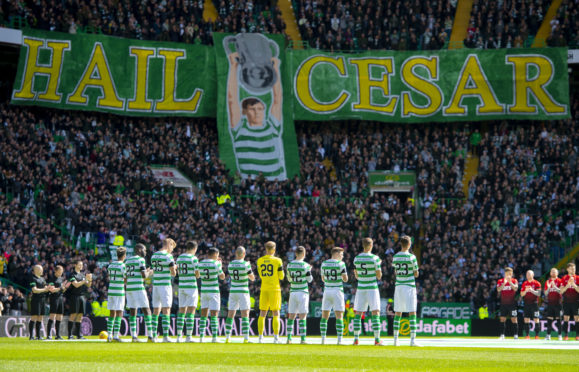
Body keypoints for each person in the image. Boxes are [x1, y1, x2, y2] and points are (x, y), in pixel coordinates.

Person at [226, 51, 287, 180]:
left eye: (260, 109)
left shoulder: (272, 126)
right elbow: (232, 99)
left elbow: (278, 98)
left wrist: (275, 68)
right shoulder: (239, 129)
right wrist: (233, 66)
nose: (257, 112)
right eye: (252, 109)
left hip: (276, 185)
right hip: (251, 186)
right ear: (244, 112)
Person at [352, 237, 382, 346]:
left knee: (358, 313)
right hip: (372, 288)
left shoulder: (357, 258)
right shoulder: (375, 258)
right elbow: (379, 276)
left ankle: (356, 339)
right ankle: (377, 340)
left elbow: (357, 276)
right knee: (375, 312)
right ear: (370, 246)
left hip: (361, 288)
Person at [392, 235, 420, 347]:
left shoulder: (396, 256)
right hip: (409, 286)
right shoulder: (412, 257)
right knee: (412, 312)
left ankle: (395, 340)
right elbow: (416, 274)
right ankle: (412, 340)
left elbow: (395, 272)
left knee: (398, 313)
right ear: (409, 245)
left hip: (399, 286)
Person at [224, 246, 255, 343]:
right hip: (243, 291)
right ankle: (246, 338)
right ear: (244, 254)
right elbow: (252, 278)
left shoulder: (230, 264)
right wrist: (249, 267)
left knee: (231, 313)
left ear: (235, 253)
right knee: (245, 313)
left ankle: (227, 337)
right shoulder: (246, 264)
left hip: (233, 290)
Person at [256, 241, 284, 343]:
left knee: (262, 313)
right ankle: (276, 337)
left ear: (265, 249)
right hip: (274, 289)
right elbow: (281, 276)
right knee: (275, 312)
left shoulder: (260, 261)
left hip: (264, 288)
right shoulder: (278, 261)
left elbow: (260, 275)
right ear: (274, 249)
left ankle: (260, 337)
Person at [125, 243, 154, 342]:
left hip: (129, 288)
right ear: (139, 250)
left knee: (133, 311)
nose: (145, 252)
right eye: (144, 250)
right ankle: (150, 336)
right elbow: (144, 275)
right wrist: (149, 272)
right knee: (147, 310)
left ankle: (134, 336)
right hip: (138, 287)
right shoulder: (141, 260)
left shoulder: (127, 260)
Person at [320, 247, 348, 345]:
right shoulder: (341, 264)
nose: (342, 256)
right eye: (341, 254)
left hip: (327, 290)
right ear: (336, 254)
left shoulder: (324, 263)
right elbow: (345, 279)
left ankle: (323, 339)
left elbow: (323, 279)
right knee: (339, 316)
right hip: (337, 290)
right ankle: (340, 340)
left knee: (324, 316)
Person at [151, 238, 177, 342]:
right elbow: (173, 273)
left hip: (156, 285)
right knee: (166, 309)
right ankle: (165, 336)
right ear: (169, 245)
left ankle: (153, 336)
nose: (172, 250)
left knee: (156, 310)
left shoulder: (154, 255)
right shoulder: (168, 256)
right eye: (172, 247)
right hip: (165, 285)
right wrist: (175, 267)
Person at [197, 247, 225, 343]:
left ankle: (201, 337)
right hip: (213, 290)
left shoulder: (200, 263)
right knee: (214, 314)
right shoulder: (216, 263)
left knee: (203, 314)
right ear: (214, 255)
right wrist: (220, 266)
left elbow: (197, 275)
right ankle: (214, 337)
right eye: (217, 255)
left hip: (204, 290)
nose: (218, 257)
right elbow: (222, 277)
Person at [286, 246, 312, 344]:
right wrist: (309, 270)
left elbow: (289, 279)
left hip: (293, 292)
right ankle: (303, 339)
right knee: (302, 316)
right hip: (302, 292)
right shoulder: (305, 265)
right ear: (304, 254)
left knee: (291, 316)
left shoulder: (289, 265)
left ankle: (289, 338)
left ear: (295, 254)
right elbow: (310, 280)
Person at [176, 241, 200, 343]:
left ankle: (178, 337)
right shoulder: (193, 258)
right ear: (194, 249)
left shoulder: (179, 258)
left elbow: (177, 272)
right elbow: (197, 274)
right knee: (191, 311)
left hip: (182, 286)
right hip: (191, 286)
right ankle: (188, 336)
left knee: (182, 311)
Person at [106, 247, 127, 342]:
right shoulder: (123, 266)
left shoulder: (111, 265)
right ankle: (115, 336)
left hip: (111, 290)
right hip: (119, 291)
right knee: (119, 312)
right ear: (124, 255)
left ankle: (109, 335)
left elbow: (109, 277)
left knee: (111, 312)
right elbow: (125, 279)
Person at [68, 260, 92, 339]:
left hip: (82, 296)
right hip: (74, 296)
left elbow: (88, 285)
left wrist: (90, 279)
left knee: (80, 316)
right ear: (75, 265)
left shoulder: (82, 275)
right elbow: (76, 285)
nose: (81, 266)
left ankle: (78, 335)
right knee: (73, 315)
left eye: (82, 265)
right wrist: (85, 280)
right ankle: (70, 335)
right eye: (80, 265)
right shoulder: (72, 275)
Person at [29, 265, 52, 340]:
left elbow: (46, 288)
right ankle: (31, 336)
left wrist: (48, 288)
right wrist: (44, 289)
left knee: (40, 318)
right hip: (36, 300)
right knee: (34, 317)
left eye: (42, 269)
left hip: (43, 300)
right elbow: (34, 290)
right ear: (36, 270)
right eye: (40, 269)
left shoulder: (42, 279)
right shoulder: (33, 278)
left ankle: (38, 336)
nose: (42, 271)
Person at [47, 265, 69, 340]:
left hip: (60, 298)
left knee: (60, 316)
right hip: (54, 298)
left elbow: (62, 290)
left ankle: (58, 335)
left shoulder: (61, 279)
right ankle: (48, 335)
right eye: (59, 271)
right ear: (55, 271)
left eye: (62, 271)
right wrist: (60, 288)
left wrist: (65, 287)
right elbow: (51, 290)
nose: (61, 273)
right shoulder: (52, 279)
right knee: (52, 316)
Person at [497, 267, 519, 340]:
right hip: (503, 304)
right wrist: (504, 283)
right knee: (502, 319)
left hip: (512, 304)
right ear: (505, 274)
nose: (509, 275)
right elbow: (498, 289)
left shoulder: (514, 280)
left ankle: (515, 335)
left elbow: (515, 288)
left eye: (510, 273)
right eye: (508, 273)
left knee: (514, 319)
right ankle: (502, 335)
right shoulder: (500, 281)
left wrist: (510, 282)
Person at [560, 262, 579, 341]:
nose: (573, 270)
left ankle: (577, 335)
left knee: (577, 318)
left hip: (576, 301)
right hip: (566, 301)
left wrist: (573, 284)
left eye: (574, 269)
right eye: (571, 269)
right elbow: (561, 291)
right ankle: (566, 335)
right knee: (566, 318)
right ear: (567, 269)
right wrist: (568, 284)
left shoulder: (578, 278)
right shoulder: (564, 278)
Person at [520, 270, 541, 340]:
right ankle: (527, 335)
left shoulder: (537, 283)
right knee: (526, 319)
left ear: (533, 275)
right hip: (526, 304)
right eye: (526, 274)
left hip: (534, 304)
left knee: (536, 319)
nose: (527, 275)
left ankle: (537, 335)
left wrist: (532, 290)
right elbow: (521, 294)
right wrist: (526, 291)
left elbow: (539, 294)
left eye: (529, 274)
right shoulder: (524, 283)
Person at [544, 267, 563, 341]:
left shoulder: (560, 281)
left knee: (559, 320)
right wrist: (548, 288)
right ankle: (548, 335)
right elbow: (545, 293)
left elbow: (561, 291)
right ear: (550, 273)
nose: (553, 273)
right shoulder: (547, 282)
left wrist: (554, 286)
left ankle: (560, 335)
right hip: (550, 303)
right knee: (549, 320)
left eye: (554, 272)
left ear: (557, 273)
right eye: (552, 271)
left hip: (558, 303)